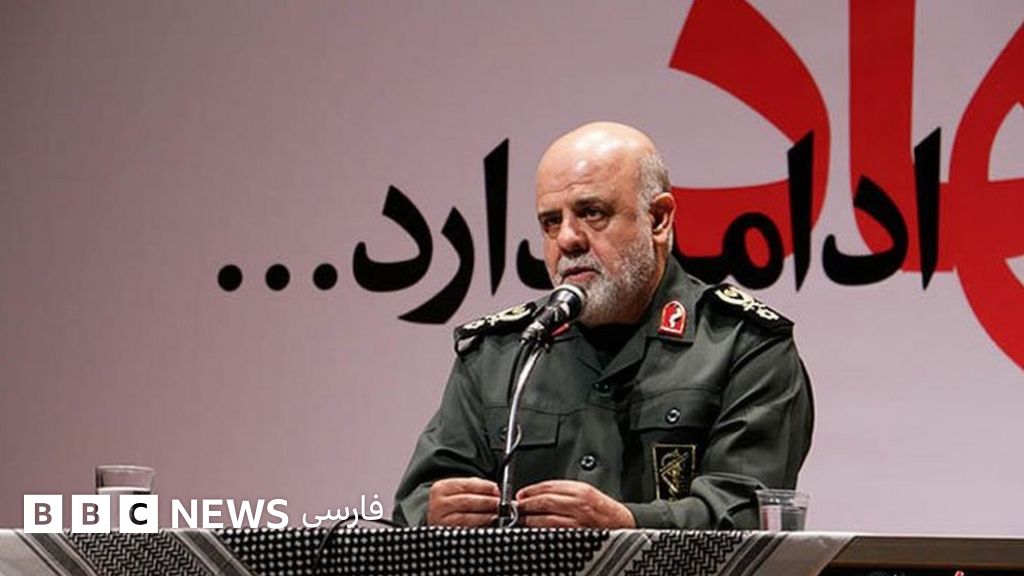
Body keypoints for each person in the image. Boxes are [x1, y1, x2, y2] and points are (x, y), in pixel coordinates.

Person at [393, 121, 814, 529]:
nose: (567, 239)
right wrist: (433, 513)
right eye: (551, 222)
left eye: (591, 213)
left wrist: (629, 525)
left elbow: (746, 512)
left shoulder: (744, 345)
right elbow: (414, 502)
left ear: (659, 219)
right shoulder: (500, 355)